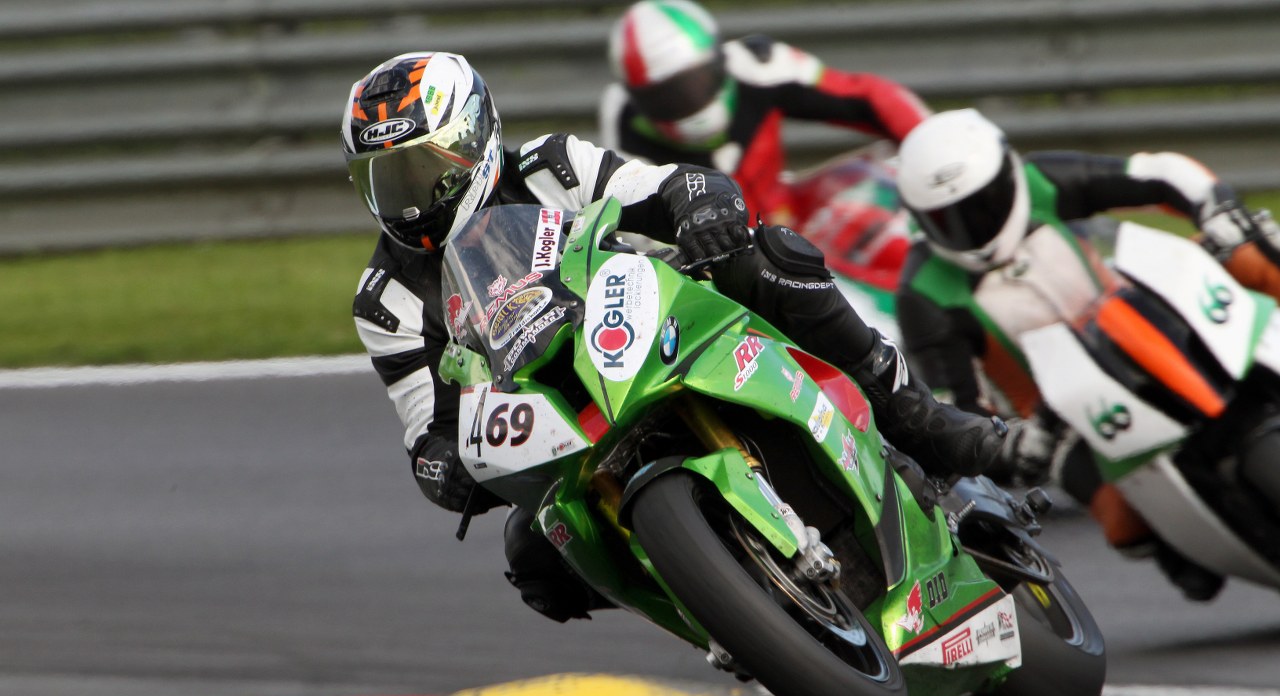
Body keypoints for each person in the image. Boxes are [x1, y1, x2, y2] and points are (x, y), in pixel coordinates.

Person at [341, 52, 1004, 623]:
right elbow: (426, 429)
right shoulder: (384, 300)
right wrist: (444, 470)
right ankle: (717, 608)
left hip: (653, 321)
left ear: (473, 138)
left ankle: (913, 415)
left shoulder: (550, 166)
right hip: (552, 413)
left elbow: (660, 185)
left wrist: (700, 202)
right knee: (535, 556)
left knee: (768, 257)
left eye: (420, 170)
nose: (409, 199)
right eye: (385, 179)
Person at [892, 107, 1280, 602]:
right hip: (1064, 415)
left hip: (1150, 316)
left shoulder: (1042, 181)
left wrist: (1217, 208)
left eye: (983, 204)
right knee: (1124, 524)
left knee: (1251, 250)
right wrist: (1012, 444)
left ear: (1009, 176)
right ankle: (1178, 544)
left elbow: (1161, 173)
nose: (972, 225)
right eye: (946, 219)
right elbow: (953, 408)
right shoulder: (923, 290)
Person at [598, 0, 930, 225]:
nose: (686, 101)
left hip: (789, 222)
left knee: (872, 174)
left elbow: (870, 96)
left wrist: (931, 142)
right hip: (712, 262)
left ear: (718, 61)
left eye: (696, 82)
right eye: (666, 96)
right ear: (638, 99)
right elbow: (633, 218)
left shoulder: (759, 65)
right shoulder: (623, 120)